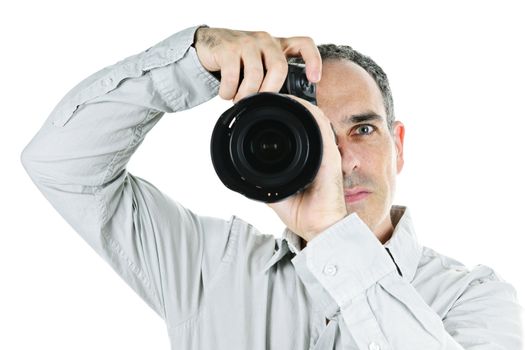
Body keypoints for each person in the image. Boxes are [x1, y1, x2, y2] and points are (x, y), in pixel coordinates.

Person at [20, 24, 522, 349]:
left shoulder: (475, 299)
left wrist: (331, 234)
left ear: (400, 146)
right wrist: (192, 64)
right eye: (318, 135)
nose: (341, 160)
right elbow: (61, 163)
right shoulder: (207, 267)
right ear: (279, 146)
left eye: (362, 130)